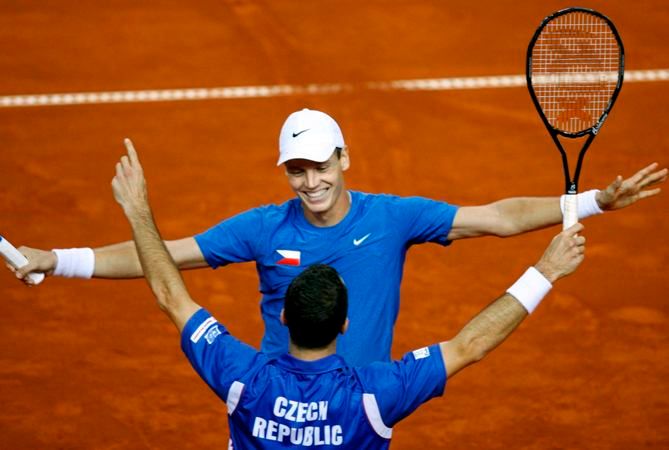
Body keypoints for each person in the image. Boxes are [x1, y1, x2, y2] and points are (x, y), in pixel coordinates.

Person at [9, 109, 667, 366]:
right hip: (275, 406)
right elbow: (163, 256)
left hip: (355, 412)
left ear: (343, 158)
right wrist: (57, 259)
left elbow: (494, 218)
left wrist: (594, 203)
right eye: (296, 169)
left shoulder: (394, 217)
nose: (309, 180)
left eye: (319, 164)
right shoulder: (261, 229)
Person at [112, 139, 586, 448]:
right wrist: (546, 270)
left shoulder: (244, 379)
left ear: (282, 320)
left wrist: (137, 212)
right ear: (345, 324)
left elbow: (171, 294)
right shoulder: (374, 395)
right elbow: (470, 344)